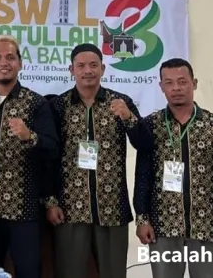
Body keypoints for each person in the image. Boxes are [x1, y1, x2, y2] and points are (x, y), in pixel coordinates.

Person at [133, 57, 213, 278]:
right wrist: (142, 219)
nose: (176, 88)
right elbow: (142, 176)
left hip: (207, 226)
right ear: (161, 87)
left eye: (182, 81)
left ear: (194, 84)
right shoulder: (150, 125)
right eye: (169, 83)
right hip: (163, 225)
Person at [45, 43, 141, 278]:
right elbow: (48, 157)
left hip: (112, 208)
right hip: (70, 208)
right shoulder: (58, 106)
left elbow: (144, 144)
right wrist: (50, 201)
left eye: (93, 65)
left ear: (103, 69)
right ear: (72, 70)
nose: (87, 70)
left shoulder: (121, 102)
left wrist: (129, 118)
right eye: (81, 66)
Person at [0, 35, 58, 278]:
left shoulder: (36, 103)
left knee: (28, 271)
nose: (3, 63)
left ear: (20, 63)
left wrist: (30, 136)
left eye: (10, 57)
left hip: (23, 209)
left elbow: (52, 148)